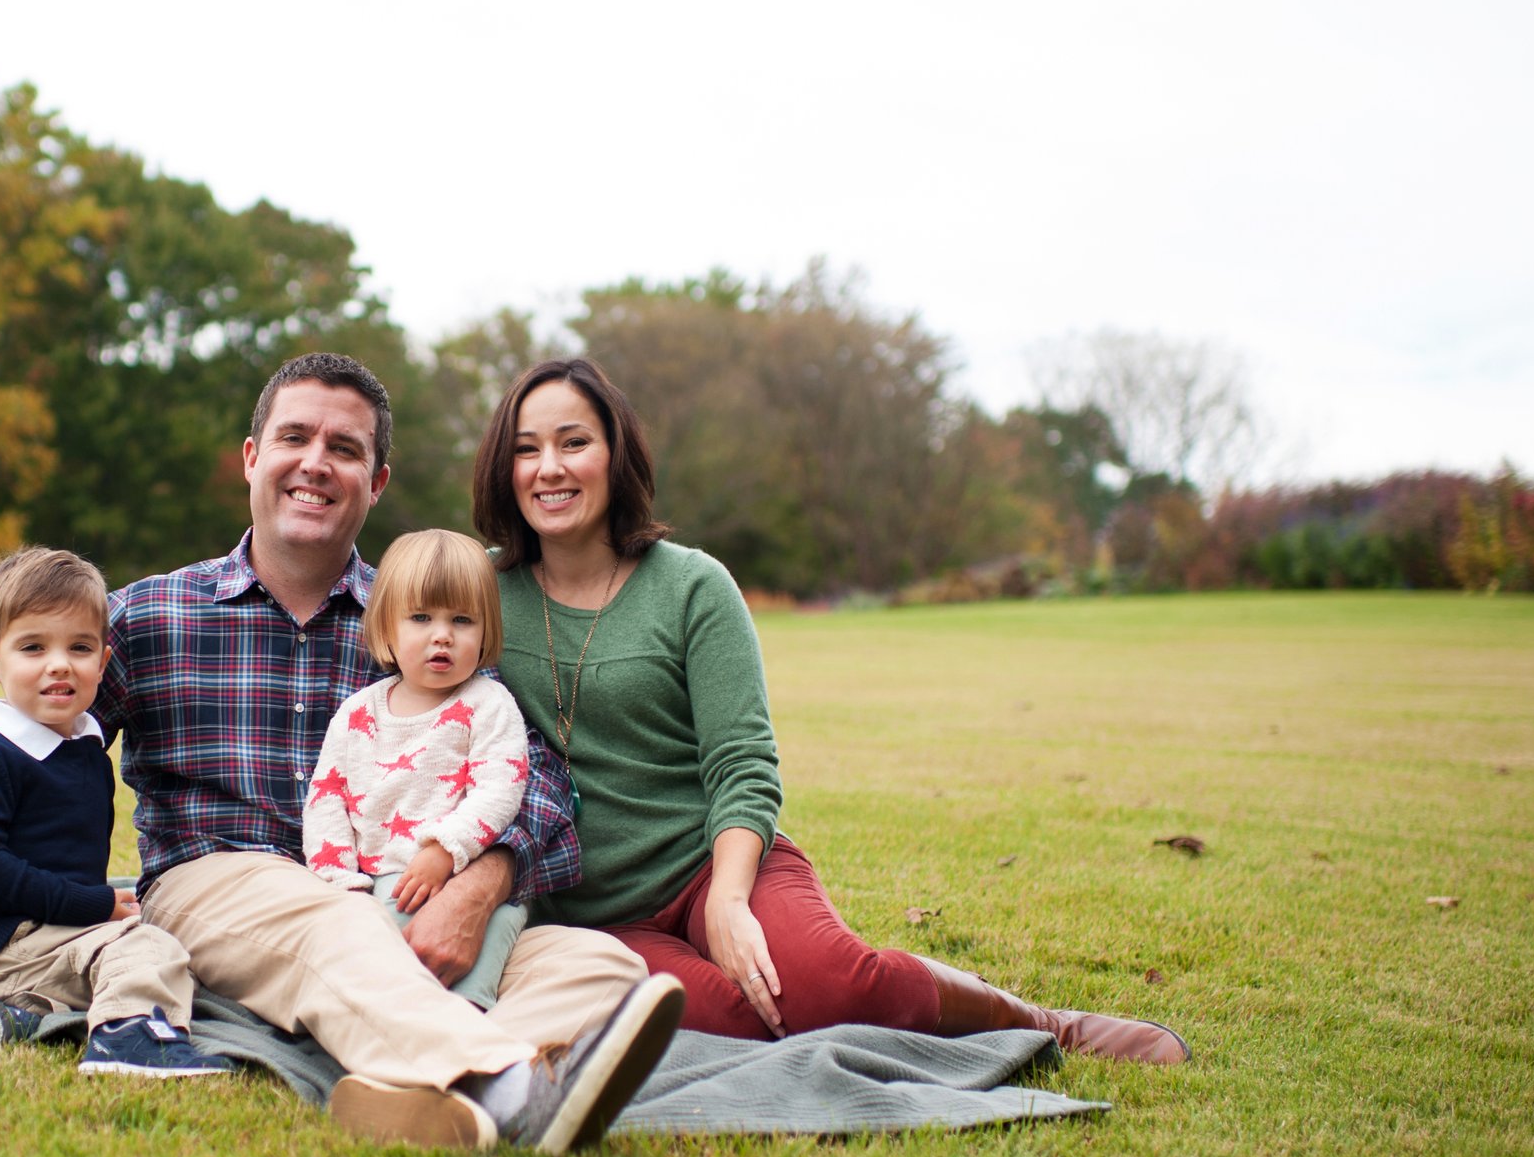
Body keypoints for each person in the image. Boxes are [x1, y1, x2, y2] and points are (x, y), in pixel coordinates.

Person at [0, 352, 685, 1154]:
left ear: (374, 483)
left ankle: (409, 1092)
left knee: (598, 966)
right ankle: (504, 1083)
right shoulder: (150, 617)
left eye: (345, 449)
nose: (315, 462)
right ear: (251, 459)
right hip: (218, 882)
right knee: (332, 924)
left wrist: (477, 885)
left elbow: (538, 781)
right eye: (295, 437)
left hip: (392, 887)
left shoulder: (421, 624)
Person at [471, 357, 1189, 1062]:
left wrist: (726, 901)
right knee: (738, 1022)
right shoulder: (479, 598)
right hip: (599, 920)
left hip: (717, 868)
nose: (550, 468)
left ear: (614, 454)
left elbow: (742, 763)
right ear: (505, 468)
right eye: (527, 449)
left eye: (574, 442)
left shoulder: (692, 587)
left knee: (829, 988)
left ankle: (1043, 1022)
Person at [0, 546, 230, 1078]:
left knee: (140, 943)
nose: (59, 663)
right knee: (148, 945)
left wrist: (90, 908)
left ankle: (14, 1018)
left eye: (80, 647)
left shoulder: (84, 749)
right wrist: (95, 905)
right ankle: (129, 1037)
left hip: (47, 936)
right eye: (33, 647)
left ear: (103, 662)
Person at [303, 528, 532, 1009]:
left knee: (473, 975)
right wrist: (341, 886)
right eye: (421, 618)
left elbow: (501, 788)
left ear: (487, 631)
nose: (442, 635)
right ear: (386, 629)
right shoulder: (359, 714)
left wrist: (446, 850)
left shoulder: (488, 705)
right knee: (381, 980)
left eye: (463, 620)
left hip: (464, 881)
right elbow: (326, 803)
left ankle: (471, 1028)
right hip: (378, 885)